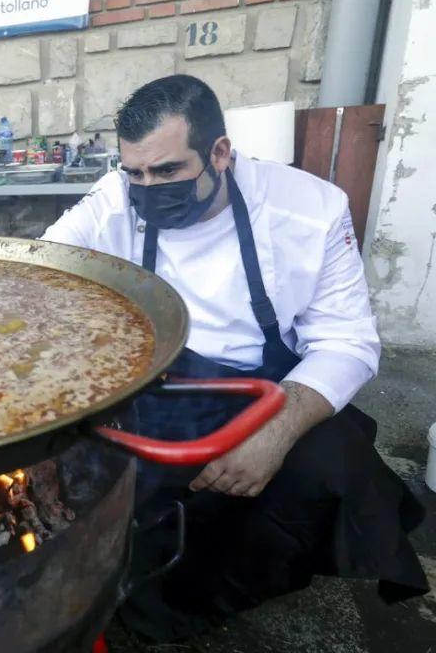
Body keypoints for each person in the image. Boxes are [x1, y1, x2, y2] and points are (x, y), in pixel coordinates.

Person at [41, 75, 427, 640]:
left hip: (265, 389)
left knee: (333, 468)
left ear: (220, 152)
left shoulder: (310, 209)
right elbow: (43, 271)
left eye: (168, 171)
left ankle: (234, 584)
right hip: (159, 389)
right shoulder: (113, 201)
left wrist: (275, 430)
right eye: (136, 174)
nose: (148, 188)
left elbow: (347, 341)